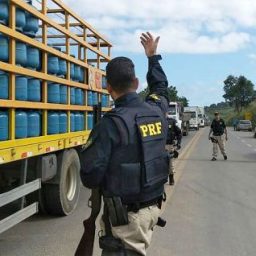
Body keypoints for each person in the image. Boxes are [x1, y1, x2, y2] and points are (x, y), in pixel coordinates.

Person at [79, 32, 169, 256]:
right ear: (136, 83)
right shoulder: (157, 112)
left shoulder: (110, 124)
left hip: (125, 219)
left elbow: (90, 176)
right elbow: (160, 90)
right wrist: (152, 57)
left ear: (108, 88)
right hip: (151, 211)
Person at [166, 115, 182, 185]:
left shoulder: (172, 121)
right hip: (158, 146)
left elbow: (179, 133)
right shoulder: (156, 120)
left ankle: (171, 178)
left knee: (170, 164)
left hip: (169, 145)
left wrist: (178, 143)